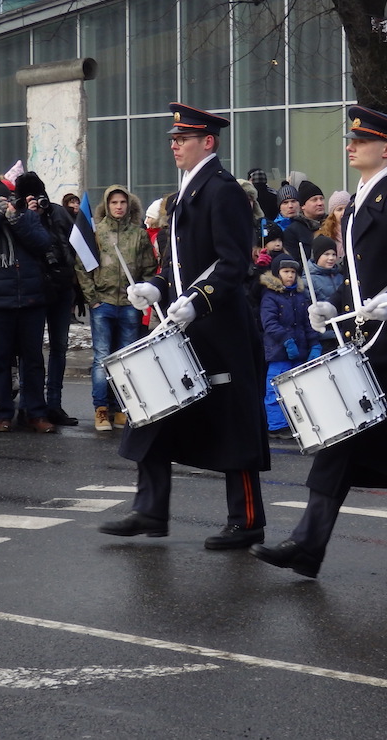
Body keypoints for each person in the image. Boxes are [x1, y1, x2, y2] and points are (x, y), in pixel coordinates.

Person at [251, 105, 387, 584]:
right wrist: (335, 304)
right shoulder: (361, 202)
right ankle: (308, 543)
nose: (350, 145)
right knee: (339, 445)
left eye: (360, 141)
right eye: (352, 139)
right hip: (370, 347)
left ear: (386, 149)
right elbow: (364, 279)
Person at [100, 103, 270, 550]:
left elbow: (233, 264)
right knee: (154, 411)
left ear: (208, 143)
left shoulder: (223, 191)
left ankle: (247, 519)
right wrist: (156, 287)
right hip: (186, 323)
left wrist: (199, 300)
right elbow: (178, 265)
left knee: (234, 426)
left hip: (222, 326)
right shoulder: (181, 197)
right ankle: (150, 509)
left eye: (183, 139)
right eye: (174, 139)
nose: (174, 145)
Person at [0, 178, 56, 434]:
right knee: (0, 361)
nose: (4, 205)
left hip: (30, 300)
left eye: (6, 200)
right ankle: (3, 413)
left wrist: (17, 220)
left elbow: (42, 243)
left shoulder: (27, 219)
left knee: (33, 360)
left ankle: (35, 413)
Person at [77, 184, 156, 432]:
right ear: (107, 205)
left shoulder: (139, 234)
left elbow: (149, 268)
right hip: (103, 304)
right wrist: (92, 298)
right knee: (102, 358)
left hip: (130, 306)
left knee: (126, 360)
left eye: (123, 202)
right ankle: (101, 410)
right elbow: (82, 267)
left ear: (129, 205)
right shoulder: (96, 233)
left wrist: (143, 294)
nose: (119, 207)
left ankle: (122, 408)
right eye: (114, 203)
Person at [15, 172, 80, 429]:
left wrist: (74, 279)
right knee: (29, 351)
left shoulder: (57, 213)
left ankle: (54, 404)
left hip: (61, 287)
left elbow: (74, 244)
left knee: (59, 347)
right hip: (33, 288)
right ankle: (29, 405)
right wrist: (29, 216)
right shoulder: (19, 215)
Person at [259, 255, 321, 437]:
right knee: (275, 388)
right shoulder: (270, 296)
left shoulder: (300, 296)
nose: (290, 275)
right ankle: (277, 425)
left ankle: (298, 423)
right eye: (286, 271)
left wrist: (314, 343)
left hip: (299, 351)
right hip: (279, 351)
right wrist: (286, 340)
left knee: (298, 389)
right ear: (277, 273)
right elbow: (269, 323)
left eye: (293, 272)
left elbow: (307, 322)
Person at [282, 180, 325, 262]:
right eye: (314, 200)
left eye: (321, 199)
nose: (320, 203)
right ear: (303, 206)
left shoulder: (332, 224)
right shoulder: (292, 231)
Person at [315, 188, 351, 259]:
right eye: (339, 209)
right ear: (332, 214)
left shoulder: (359, 230)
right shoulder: (324, 236)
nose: (343, 212)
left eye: (346, 209)